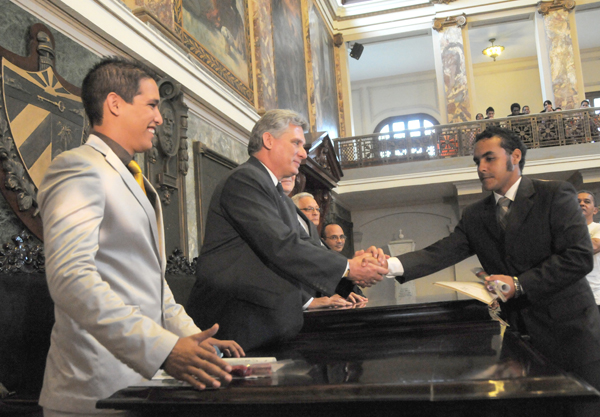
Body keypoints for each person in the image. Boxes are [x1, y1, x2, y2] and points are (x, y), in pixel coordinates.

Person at [37, 57, 244, 416]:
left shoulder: (138, 180)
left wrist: (193, 342)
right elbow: (71, 279)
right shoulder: (78, 167)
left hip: (141, 386)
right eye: (151, 105)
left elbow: (152, 285)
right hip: (94, 389)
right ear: (115, 104)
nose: (160, 119)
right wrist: (162, 350)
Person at [384, 126, 600, 416]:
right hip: (522, 344)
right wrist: (387, 265)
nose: (481, 168)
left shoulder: (555, 195)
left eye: (489, 158)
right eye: (476, 161)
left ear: (515, 156)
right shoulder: (476, 215)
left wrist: (519, 284)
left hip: (572, 336)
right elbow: (441, 252)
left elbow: (579, 257)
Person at [186, 109, 387, 350]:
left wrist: (348, 274)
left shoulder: (274, 191)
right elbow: (281, 246)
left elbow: (306, 247)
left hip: (268, 322)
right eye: (296, 143)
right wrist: (348, 268)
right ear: (269, 140)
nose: (303, 153)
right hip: (238, 325)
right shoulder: (245, 180)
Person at [578, 190, 600, 311]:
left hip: (595, 295)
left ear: (595, 210)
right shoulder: (563, 230)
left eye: (586, 201)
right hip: (571, 295)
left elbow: (594, 246)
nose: (581, 204)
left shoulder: (598, 228)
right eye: (577, 202)